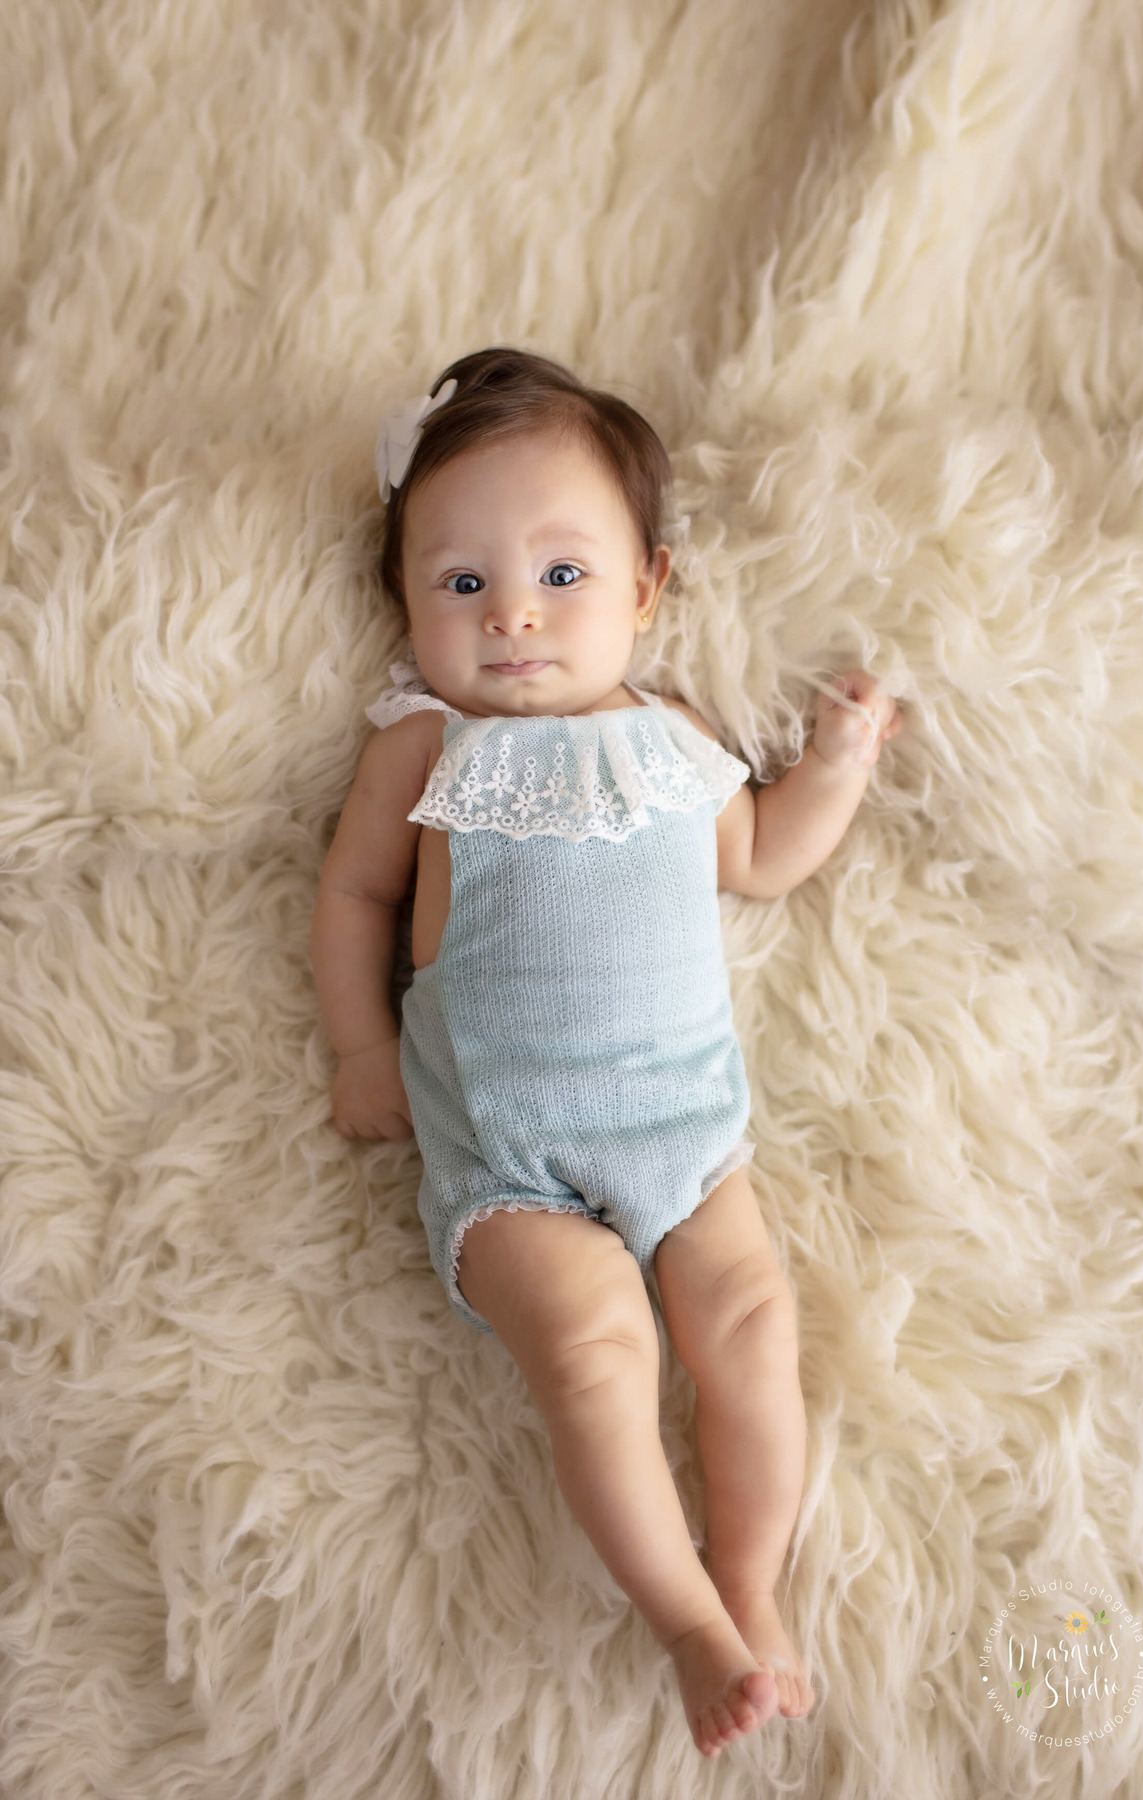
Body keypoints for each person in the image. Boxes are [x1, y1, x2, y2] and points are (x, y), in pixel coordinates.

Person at [310, 348, 903, 1759]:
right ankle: (687, 1617)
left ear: (647, 586)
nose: (511, 611)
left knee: (754, 1329)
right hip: (509, 1156)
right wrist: (356, 1045)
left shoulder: (674, 734)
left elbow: (759, 858)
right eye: (460, 583)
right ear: (407, 602)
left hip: (688, 1135)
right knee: (597, 1348)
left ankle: (751, 1583)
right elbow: (352, 896)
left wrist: (834, 767)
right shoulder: (424, 742)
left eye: (563, 575)